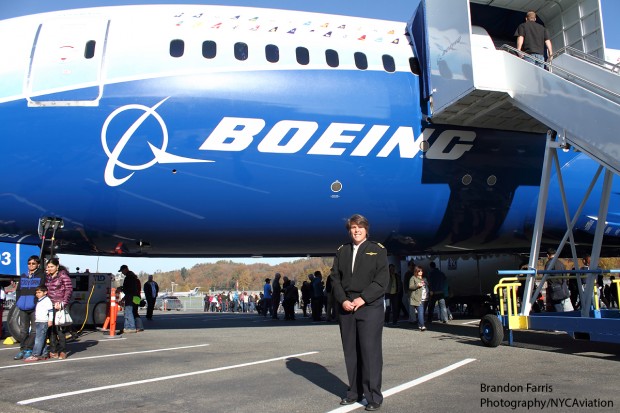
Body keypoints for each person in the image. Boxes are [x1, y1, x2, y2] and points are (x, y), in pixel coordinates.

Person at [330, 214, 389, 411]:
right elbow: (335, 279)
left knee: (369, 351)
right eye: (353, 227)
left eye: (360, 227)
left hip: (369, 306)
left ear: (367, 230)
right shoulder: (342, 251)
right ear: (349, 230)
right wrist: (343, 300)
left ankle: (373, 396)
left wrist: (362, 298)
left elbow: (381, 280)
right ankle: (354, 392)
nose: (356, 230)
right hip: (347, 306)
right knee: (351, 352)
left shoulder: (377, 250)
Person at [13, 255, 46, 360]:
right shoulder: (23, 275)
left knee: (34, 330)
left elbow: (43, 289)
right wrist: (18, 301)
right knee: (23, 330)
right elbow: (18, 290)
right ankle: (22, 349)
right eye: (29, 263)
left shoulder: (41, 275)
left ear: (38, 264)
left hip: (34, 307)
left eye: (33, 263)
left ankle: (29, 348)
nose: (31, 265)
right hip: (22, 306)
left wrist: (36, 302)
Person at [45, 258, 73, 359]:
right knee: (51, 329)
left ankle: (63, 351)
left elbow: (69, 290)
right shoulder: (47, 277)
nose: (50, 268)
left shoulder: (63, 276)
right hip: (49, 306)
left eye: (52, 266)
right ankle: (53, 350)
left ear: (57, 267)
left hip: (59, 306)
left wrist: (63, 303)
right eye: (48, 267)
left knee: (60, 330)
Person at [23, 286, 53, 362]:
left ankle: (35, 354)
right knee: (42, 339)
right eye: (36, 292)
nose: (37, 294)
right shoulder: (40, 300)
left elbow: (51, 311)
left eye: (39, 292)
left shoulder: (47, 300)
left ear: (45, 292)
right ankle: (44, 354)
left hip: (43, 322)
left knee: (38, 340)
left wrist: (50, 320)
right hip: (38, 321)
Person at [119, 264, 139, 333]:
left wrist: (121, 289)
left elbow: (128, 289)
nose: (122, 273)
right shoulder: (132, 276)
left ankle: (131, 327)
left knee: (129, 312)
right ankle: (127, 327)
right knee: (129, 312)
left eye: (122, 271)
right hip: (134, 296)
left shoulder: (129, 277)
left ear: (125, 269)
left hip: (130, 297)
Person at [409, 266, 429, 331]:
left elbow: (427, 286)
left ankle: (420, 325)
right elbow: (410, 287)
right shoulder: (413, 278)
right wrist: (417, 285)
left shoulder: (424, 279)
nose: (421, 272)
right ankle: (422, 325)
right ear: (416, 271)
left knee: (422, 312)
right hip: (417, 298)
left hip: (425, 297)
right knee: (420, 312)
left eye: (421, 271)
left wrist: (426, 283)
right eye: (419, 271)